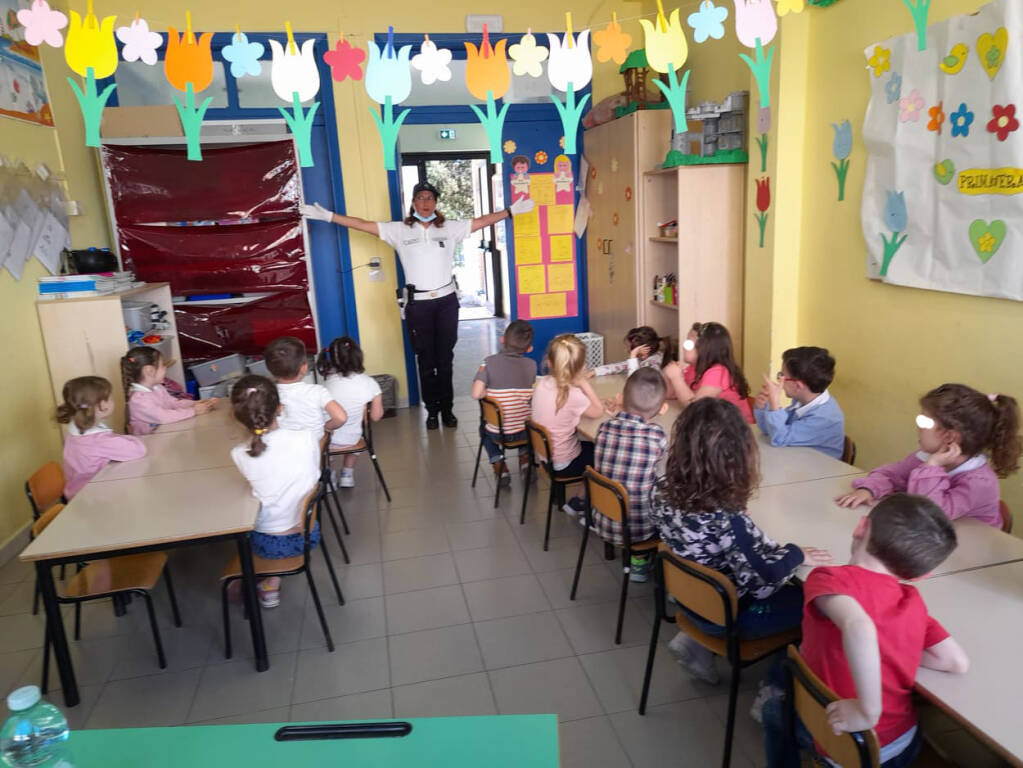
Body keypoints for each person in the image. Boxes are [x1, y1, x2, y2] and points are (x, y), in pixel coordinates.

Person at [300, 181, 535, 430]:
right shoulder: (399, 230)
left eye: (430, 198)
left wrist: (509, 211)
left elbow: (481, 221)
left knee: (444, 359)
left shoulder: (450, 228)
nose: (425, 203)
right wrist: (328, 216)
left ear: (436, 202)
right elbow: (361, 224)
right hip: (418, 305)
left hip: (446, 303)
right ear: (413, 203)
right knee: (425, 360)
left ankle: (447, 409)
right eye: (420, 198)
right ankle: (432, 411)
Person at [761, 493, 968, 768]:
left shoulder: (828, 579)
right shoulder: (912, 600)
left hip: (844, 744)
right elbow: (955, 662)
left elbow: (858, 625)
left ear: (860, 527)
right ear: (920, 576)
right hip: (901, 744)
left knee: (772, 711)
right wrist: (892, 650)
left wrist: (867, 710)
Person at [650, 398, 832, 684]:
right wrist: (795, 554)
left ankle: (693, 643)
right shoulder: (727, 518)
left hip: (690, 601)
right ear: (737, 455)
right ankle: (775, 689)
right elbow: (760, 583)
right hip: (728, 615)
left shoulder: (660, 490)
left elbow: (701, 533)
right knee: (817, 604)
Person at [837, 383, 1020, 527]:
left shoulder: (979, 482)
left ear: (950, 436)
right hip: (932, 542)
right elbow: (891, 474)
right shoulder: (924, 456)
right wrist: (869, 489)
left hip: (970, 559)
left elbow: (929, 513)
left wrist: (931, 468)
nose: (918, 426)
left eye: (924, 421)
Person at [229, 375, 322, 609]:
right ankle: (271, 582)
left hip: (268, 543)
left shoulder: (239, 453)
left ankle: (262, 579)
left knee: (245, 521)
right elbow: (312, 473)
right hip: (308, 534)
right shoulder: (306, 438)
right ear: (280, 408)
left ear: (238, 417)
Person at [592, 367, 669, 581]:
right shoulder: (656, 436)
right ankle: (641, 561)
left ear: (621, 399)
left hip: (603, 518)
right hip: (639, 529)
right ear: (663, 409)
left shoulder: (604, 428)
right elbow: (665, 477)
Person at [530, 334, 605, 515]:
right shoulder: (573, 394)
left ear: (549, 362)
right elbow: (598, 411)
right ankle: (580, 501)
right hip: (563, 463)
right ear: (581, 367)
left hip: (545, 456)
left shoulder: (542, 383)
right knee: (605, 455)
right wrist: (583, 383)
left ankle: (576, 499)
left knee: (589, 445)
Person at [470, 319, 537, 487]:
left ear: (502, 340)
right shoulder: (532, 365)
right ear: (529, 349)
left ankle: (499, 463)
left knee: (483, 429)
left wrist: (489, 392)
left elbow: (476, 393)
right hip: (524, 433)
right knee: (527, 418)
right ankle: (525, 458)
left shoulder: (489, 362)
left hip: (497, 433)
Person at [57, 375, 146, 499]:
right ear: (102, 405)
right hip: (94, 497)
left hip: (76, 493)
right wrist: (131, 436)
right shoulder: (99, 441)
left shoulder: (74, 432)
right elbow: (138, 450)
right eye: (109, 397)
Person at [316, 336, 384, 488]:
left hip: (327, 440)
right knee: (355, 433)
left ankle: (329, 476)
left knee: (324, 445)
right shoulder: (369, 383)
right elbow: (376, 416)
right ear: (358, 356)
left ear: (331, 359)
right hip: (352, 439)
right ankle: (347, 474)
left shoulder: (324, 384)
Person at [754, 346, 845, 458]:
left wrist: (775, 406)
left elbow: (779, 438)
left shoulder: (824, 417)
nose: (779, 381)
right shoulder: (800, 401)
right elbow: (769, 431)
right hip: (796, 460)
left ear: (797, 386)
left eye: (782, 376)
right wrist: (762, 407)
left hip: (820, 471)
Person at [662, 322, 754, 423]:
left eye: (689, 343)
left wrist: (676, 378)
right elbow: (670, 395)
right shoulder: (692, 368)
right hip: (713, 426)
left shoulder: (719, 371)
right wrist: (668, 375)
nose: (684, 347)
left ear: (705, 348)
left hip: (735, 430)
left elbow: (697, 408)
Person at [263, 336, 347, 440]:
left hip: (283, 448)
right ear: (304, 367)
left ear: (269, 369)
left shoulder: (266, 394)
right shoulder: (318, 391)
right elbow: (341, 417)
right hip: (313, 447)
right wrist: (326, 427)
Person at [121, 346, 217, 435]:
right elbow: (163, 416)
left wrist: (194, 404)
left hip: (163, 434)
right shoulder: (139, 400)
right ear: (149, 371)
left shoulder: (157, 387)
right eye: (162, 365)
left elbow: (173, 403)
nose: (165, 368)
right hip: (149, 442)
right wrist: (193, 411)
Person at [590, 326, 676, 377]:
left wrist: (633, 357)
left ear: (643, 351)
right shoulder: (643, 359)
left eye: (629, 350)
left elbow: (634, 382)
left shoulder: (653, 365)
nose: (626, 350)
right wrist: (595, 371)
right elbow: (619, 366)